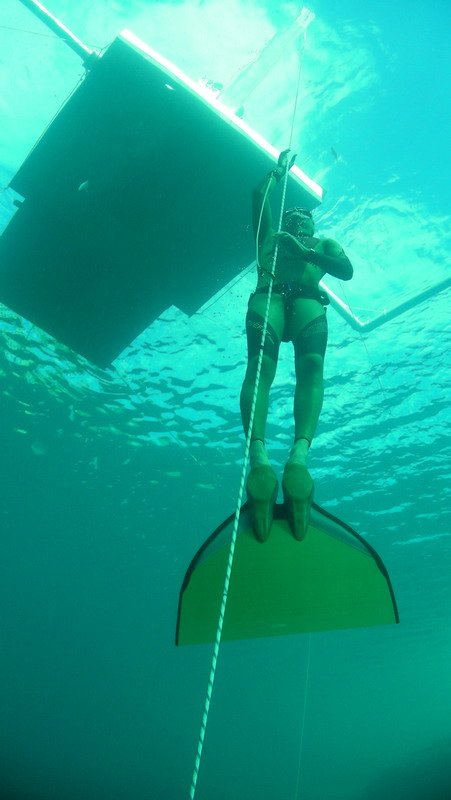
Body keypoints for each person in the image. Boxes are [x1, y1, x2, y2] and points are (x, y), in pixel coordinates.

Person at [240, 150, 353, 542]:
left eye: (305, 216)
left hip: (299, 300)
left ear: (313, 223)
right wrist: (278, 170)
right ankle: (262, 460)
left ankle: (295, 460)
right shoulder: (270, 237)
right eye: (294, 215)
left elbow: (346, 271)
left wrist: (305, 251)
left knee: (307, 368)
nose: (299, 218)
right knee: (262, 367)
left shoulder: (323, 245)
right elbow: (259, 196)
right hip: (272, 295)